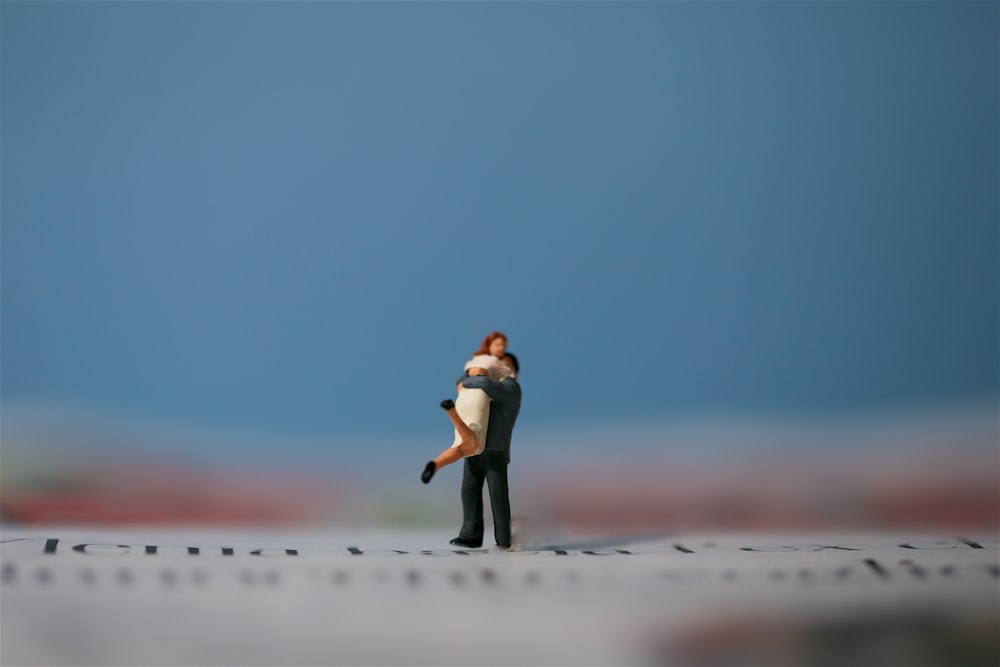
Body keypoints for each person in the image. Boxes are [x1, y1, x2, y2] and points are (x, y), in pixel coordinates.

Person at [449, 350, 521, 549]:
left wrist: (477, 374)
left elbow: (482, 383)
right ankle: (470, 533)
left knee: (497, 494)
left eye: (503, 364)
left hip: (494, 450)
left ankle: (504, 538)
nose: (498, 367)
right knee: (469, 490)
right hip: (475, 446)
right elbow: (461, 380)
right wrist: (472, 370)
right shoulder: (489, 382)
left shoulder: (511, 387)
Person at [420, 354, 515, 482]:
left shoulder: (472, 365)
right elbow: (485, 382)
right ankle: (451, 413)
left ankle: (436, 463)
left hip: (464, 398)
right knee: (469, 444)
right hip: (476, 399)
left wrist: (468, 375)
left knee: (458, 448)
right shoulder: (497, 369)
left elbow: (461, 383)